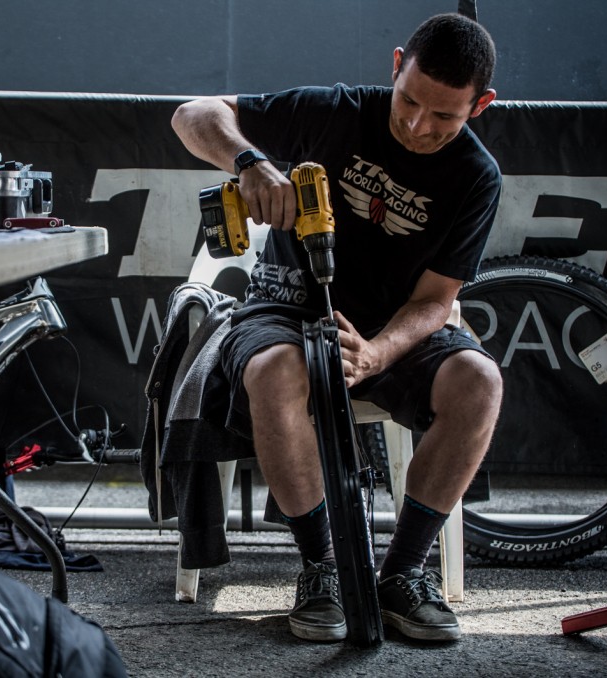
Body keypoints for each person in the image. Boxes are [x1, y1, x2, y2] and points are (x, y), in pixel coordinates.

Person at [170, 13, 503, 643]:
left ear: (480, 105)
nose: (417, 125)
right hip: (286, 309)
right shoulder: (334, 111)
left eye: (443, 116)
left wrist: (377, 353)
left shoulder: (476, 176)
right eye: (409, 101)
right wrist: (249, 163)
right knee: (276, 370)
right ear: (396, 65)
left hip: (391, 328)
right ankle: (325, 567)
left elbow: (436, 300)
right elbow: (193, 114)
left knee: (479, 383)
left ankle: (402, 574)